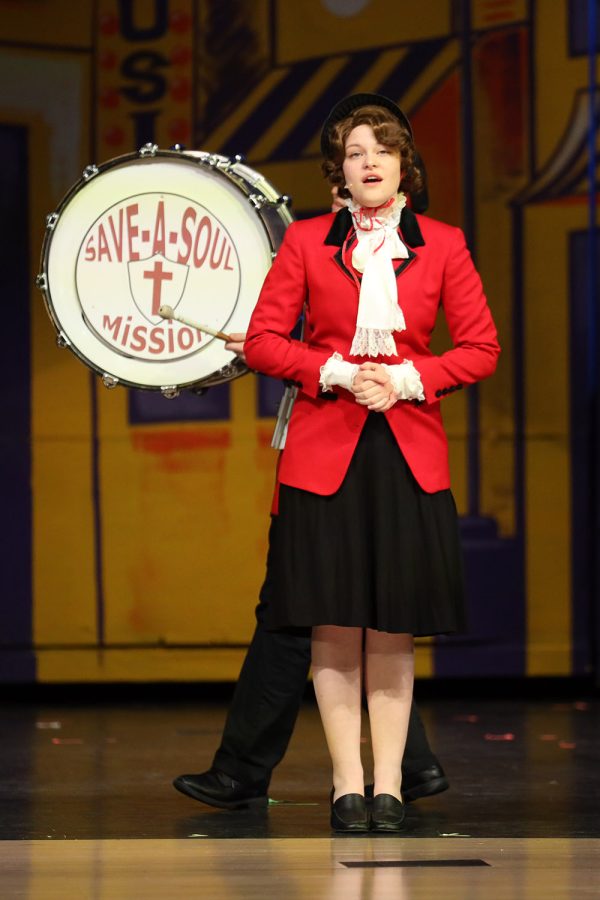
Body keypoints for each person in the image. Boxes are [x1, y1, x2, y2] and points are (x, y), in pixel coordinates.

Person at [232, 92, 499, 833]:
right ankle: (346, 787)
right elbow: (262, 342)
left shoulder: (442, 243)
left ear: (403, 164)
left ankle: (390, 786)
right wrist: (341, 371)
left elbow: (480, 347)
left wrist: (409, 379)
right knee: (332, 625)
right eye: (355, 152)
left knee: (391, 628)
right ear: (339, 173)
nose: (370, 160)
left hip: (408, 449)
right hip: (325, 450)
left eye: (382, 148)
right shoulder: (306, 242)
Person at [173, 158, 449, 818]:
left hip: (369, 460)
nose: (344, 196)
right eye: (342, 179)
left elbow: (451, 348)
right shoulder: (316, 251)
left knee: (328, 613)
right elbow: (293, 341)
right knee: (337, 613)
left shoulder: (411, 256)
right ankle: (404, 768)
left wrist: (314, 358)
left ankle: (271, 770)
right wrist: (283, 348)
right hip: (318, 462)